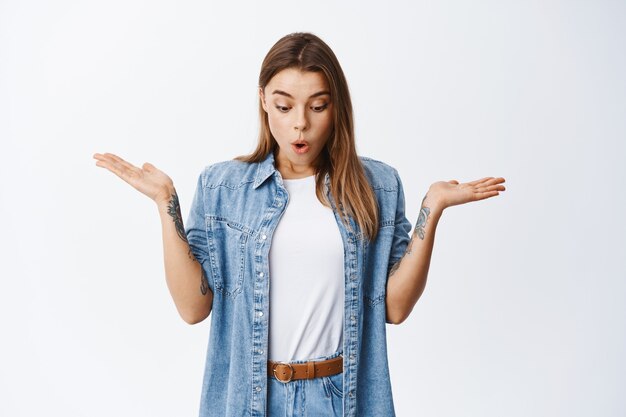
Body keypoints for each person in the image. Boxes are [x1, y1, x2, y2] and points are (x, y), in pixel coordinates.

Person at [93, 32, 505, 417]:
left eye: (318, 106)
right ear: (263, 101)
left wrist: (431, 209)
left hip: (342, 398)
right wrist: (166, 203)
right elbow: (192, 308)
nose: (300, 124)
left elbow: (394, 308)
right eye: (284, 106)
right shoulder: (222, 186)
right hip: (252, 397)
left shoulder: (377, 185)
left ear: (336, 106)